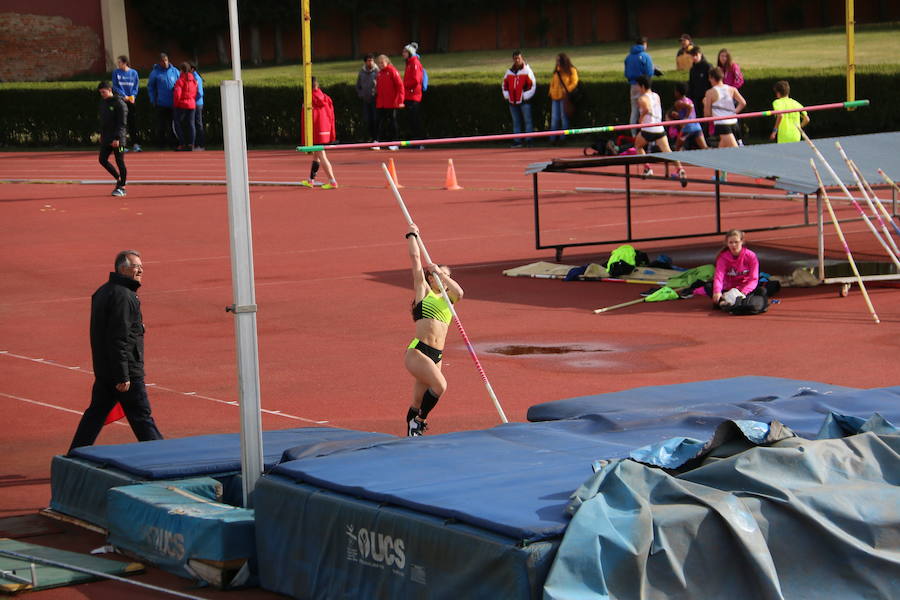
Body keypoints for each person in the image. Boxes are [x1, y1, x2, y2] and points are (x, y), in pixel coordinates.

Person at [69, 250, 164, 451]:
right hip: (125, 371)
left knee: (95, 415)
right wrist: (123, 375)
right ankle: (163, 457)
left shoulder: (104, 291)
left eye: (141, 266)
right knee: (141, 416)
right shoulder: (124, 296)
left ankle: (75, 454)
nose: (141, 270)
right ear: (122, 269)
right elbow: (119, 338)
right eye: (136, 267)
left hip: (105, 371)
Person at [403, 223, 464, 436]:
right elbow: (415, 260)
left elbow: (460, 291)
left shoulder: (449, 300)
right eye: (436, 276)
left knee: (418, 400)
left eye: (444, 277)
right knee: (440, 386)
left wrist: (442, 274)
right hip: (418, 351)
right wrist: (413, 235)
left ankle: (411, 433)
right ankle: (418, 422)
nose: (440, 280)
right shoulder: (424, 293)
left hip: (436, 356)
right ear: (430, 279)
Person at [632, 75, 685, 185]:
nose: (637, 88)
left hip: (648, 129)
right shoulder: (656, 96)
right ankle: (680, 169)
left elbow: (646, 109)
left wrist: (640, 119)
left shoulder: (642, 98)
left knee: (638, 145)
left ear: (642, 86)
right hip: (659, 128)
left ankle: (647, 168)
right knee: (668, 151)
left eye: (638, 86)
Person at [299, 77, 338, 189]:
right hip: (324, 130)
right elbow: (331, 114)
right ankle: (311, 180)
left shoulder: (309, 99)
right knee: (316, 156)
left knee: (321, 155)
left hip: (316, 131)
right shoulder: (325, 97)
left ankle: (332, 181)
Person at [709, 230, 759, 307]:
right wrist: (717, 291)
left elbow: (753, 278)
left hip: (744, 288)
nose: (733, 245)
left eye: (736, 242)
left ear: (742, 241)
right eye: (731, 243)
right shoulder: (723, 258)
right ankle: (725, 301)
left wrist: (743, 292)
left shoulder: (751, 256)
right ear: (727, 243)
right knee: (710, 287)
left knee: (763, 290)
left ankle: (727, 302)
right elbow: (719, 276)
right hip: (727, 288)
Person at [96, 81, 128, 197]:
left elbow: (122, 123)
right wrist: (101, 134)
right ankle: (118, 178)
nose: (102, 95)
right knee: (102, 159)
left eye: (103, 92)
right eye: (100, 93)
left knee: (120, 161)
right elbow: (103, 121)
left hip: (119, 141)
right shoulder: (103, 103)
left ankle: (122, 187)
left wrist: (117, 138)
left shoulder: (120, 104)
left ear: (110, 90)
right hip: (107, 138)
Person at [704, 67, 746, 148]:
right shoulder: (731, 89)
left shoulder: (710, 93)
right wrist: (734, 112)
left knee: (736, 150)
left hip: (722, 124)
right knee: (722, 150)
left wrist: (705, 104)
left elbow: (707, 114)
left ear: (712, 78)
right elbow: (743, 103)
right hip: (734, 122)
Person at [502, 49, 536, 148]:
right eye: (515, 58)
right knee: (516, 122)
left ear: (522, 58)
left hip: (524, 101)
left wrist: (525, 96)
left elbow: (532, 85)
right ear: (513, 59)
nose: (517, 60)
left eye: (519, 58)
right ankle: (517, 141)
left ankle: (529, 141)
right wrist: (507, 95)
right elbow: (504, 85)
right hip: (513, 101)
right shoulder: (509, 72)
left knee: (528, 121)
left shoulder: (527, 71)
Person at [146, 52, 180, 149]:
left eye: (166, 60)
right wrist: (153, 100)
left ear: (168, 60)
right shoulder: (155, 73)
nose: (165, 63)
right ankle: (161, 144)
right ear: (159, 62)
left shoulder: (174, 71)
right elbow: (151, 87)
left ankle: (174, 144)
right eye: (162, 61)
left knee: (172, 125)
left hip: (173, 103)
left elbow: (180, 84)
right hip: (161, 103)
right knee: (161, 125)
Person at [624, 37, 655, 129]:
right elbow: (649, 72)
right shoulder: (645, 56)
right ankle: (647, 131)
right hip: (644, 86)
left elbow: (626, 73)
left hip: (633, 85)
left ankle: (633, 134)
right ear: (644, 44)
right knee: (647, 109)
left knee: (634, 110)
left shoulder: (628, 57)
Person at [111, 55, 141, 152]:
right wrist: (124, 96)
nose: (118, 64)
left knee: (133, 123)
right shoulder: (116, 72)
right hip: (120, 101)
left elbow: (136, 86)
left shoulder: (134, 73)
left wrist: (132, 96)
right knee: (121, 124)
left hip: (131, 101)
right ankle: (122, 147)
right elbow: (115, 86)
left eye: (119, 62)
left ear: (125, 63)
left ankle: (136, 145)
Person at [374, 54, 404, 151]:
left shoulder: (392, 71)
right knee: (380, 122)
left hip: (391, 102)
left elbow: (400, 86)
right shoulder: (379, 73)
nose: (380, 64)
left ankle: (395, 142)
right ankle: (378, 141)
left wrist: (399, 100)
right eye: (379, 63)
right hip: (381, 103)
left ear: (387, 62)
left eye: (382, 62)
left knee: (392, 122)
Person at [549, 52, 579, 144]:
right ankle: (552, 139)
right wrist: (551, 92)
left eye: (559, 60)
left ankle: (563, 139)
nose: (557, 62)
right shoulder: (556, 71)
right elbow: (552, 84)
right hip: (555, 97)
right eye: (556, 60)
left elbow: (574, 82)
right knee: (554, 118)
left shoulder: (571, 70)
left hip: (564, 98)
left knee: (563, 118)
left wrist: (567, 91)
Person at [717, 48, 745, 144]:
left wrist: (730, 91)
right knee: (725, 120)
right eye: (721, 56)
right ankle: (727, 140)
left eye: (725, 56)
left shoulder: (733, 66)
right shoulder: (719, 69)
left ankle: (739, 140)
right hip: (722, 98)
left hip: (732, 97)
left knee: (733, 119)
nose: (723, 58)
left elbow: (739, 80)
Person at [670, 82, 707, 150]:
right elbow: (686, 113)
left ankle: (676, 161)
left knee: (677, 147)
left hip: (687, 127)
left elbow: (690, 107)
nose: (674, 93)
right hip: (696, 126)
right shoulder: (689, 100)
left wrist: (685, 119)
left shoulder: (678, 102)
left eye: (675, 91)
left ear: (678, 92)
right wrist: (678, 116)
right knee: (704, 147)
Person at [402, 42, 425, 148]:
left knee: (415, 119)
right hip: (409, 95)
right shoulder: (409, 63)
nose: (403, 54)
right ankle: (414, 141)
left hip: (413, 95)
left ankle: (419, 142)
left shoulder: (414, 63)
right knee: (411, 119)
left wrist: (404, 85)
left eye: (405, 52)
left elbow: (416, 80)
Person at [172, 62, 197, 151]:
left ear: (181, 70)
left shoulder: (180, 81)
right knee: (191, 124)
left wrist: (175, 104)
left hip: (182, 105)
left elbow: (177, 95)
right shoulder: (193, 80)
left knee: (178, 124)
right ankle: (191, 144)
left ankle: (182, 143)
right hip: (192, 104)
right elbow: (195, 93)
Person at [356, 53, 379, 142]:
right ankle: (372, 137)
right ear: (365, 62)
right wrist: (361, 94)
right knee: (368, 120)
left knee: (375, 119)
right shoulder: (362, 72)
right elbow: (358, 85)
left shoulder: (377, 71)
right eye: (369, 60)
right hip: (365, 99)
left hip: (375, 99)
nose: (371, 62)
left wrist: (376, 93)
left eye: (372, 60)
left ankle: (377, 138)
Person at [687, 46, 711, 118]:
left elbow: (712, 82)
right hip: (696, 99)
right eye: (692, 56)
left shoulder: (707, 66)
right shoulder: (692, 69)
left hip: (707, 98)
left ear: (700, 54)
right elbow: (691, 84)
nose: (694, 57)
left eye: (696, 55)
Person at [191, 63, 206, 151]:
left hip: (197, 103)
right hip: (195, 103)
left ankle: (200, 144)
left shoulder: (196, 78)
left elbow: (200, 93)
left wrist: (192, 98)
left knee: (198, 124)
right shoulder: (194, 77)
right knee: (195, 124)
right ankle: (197, 144)